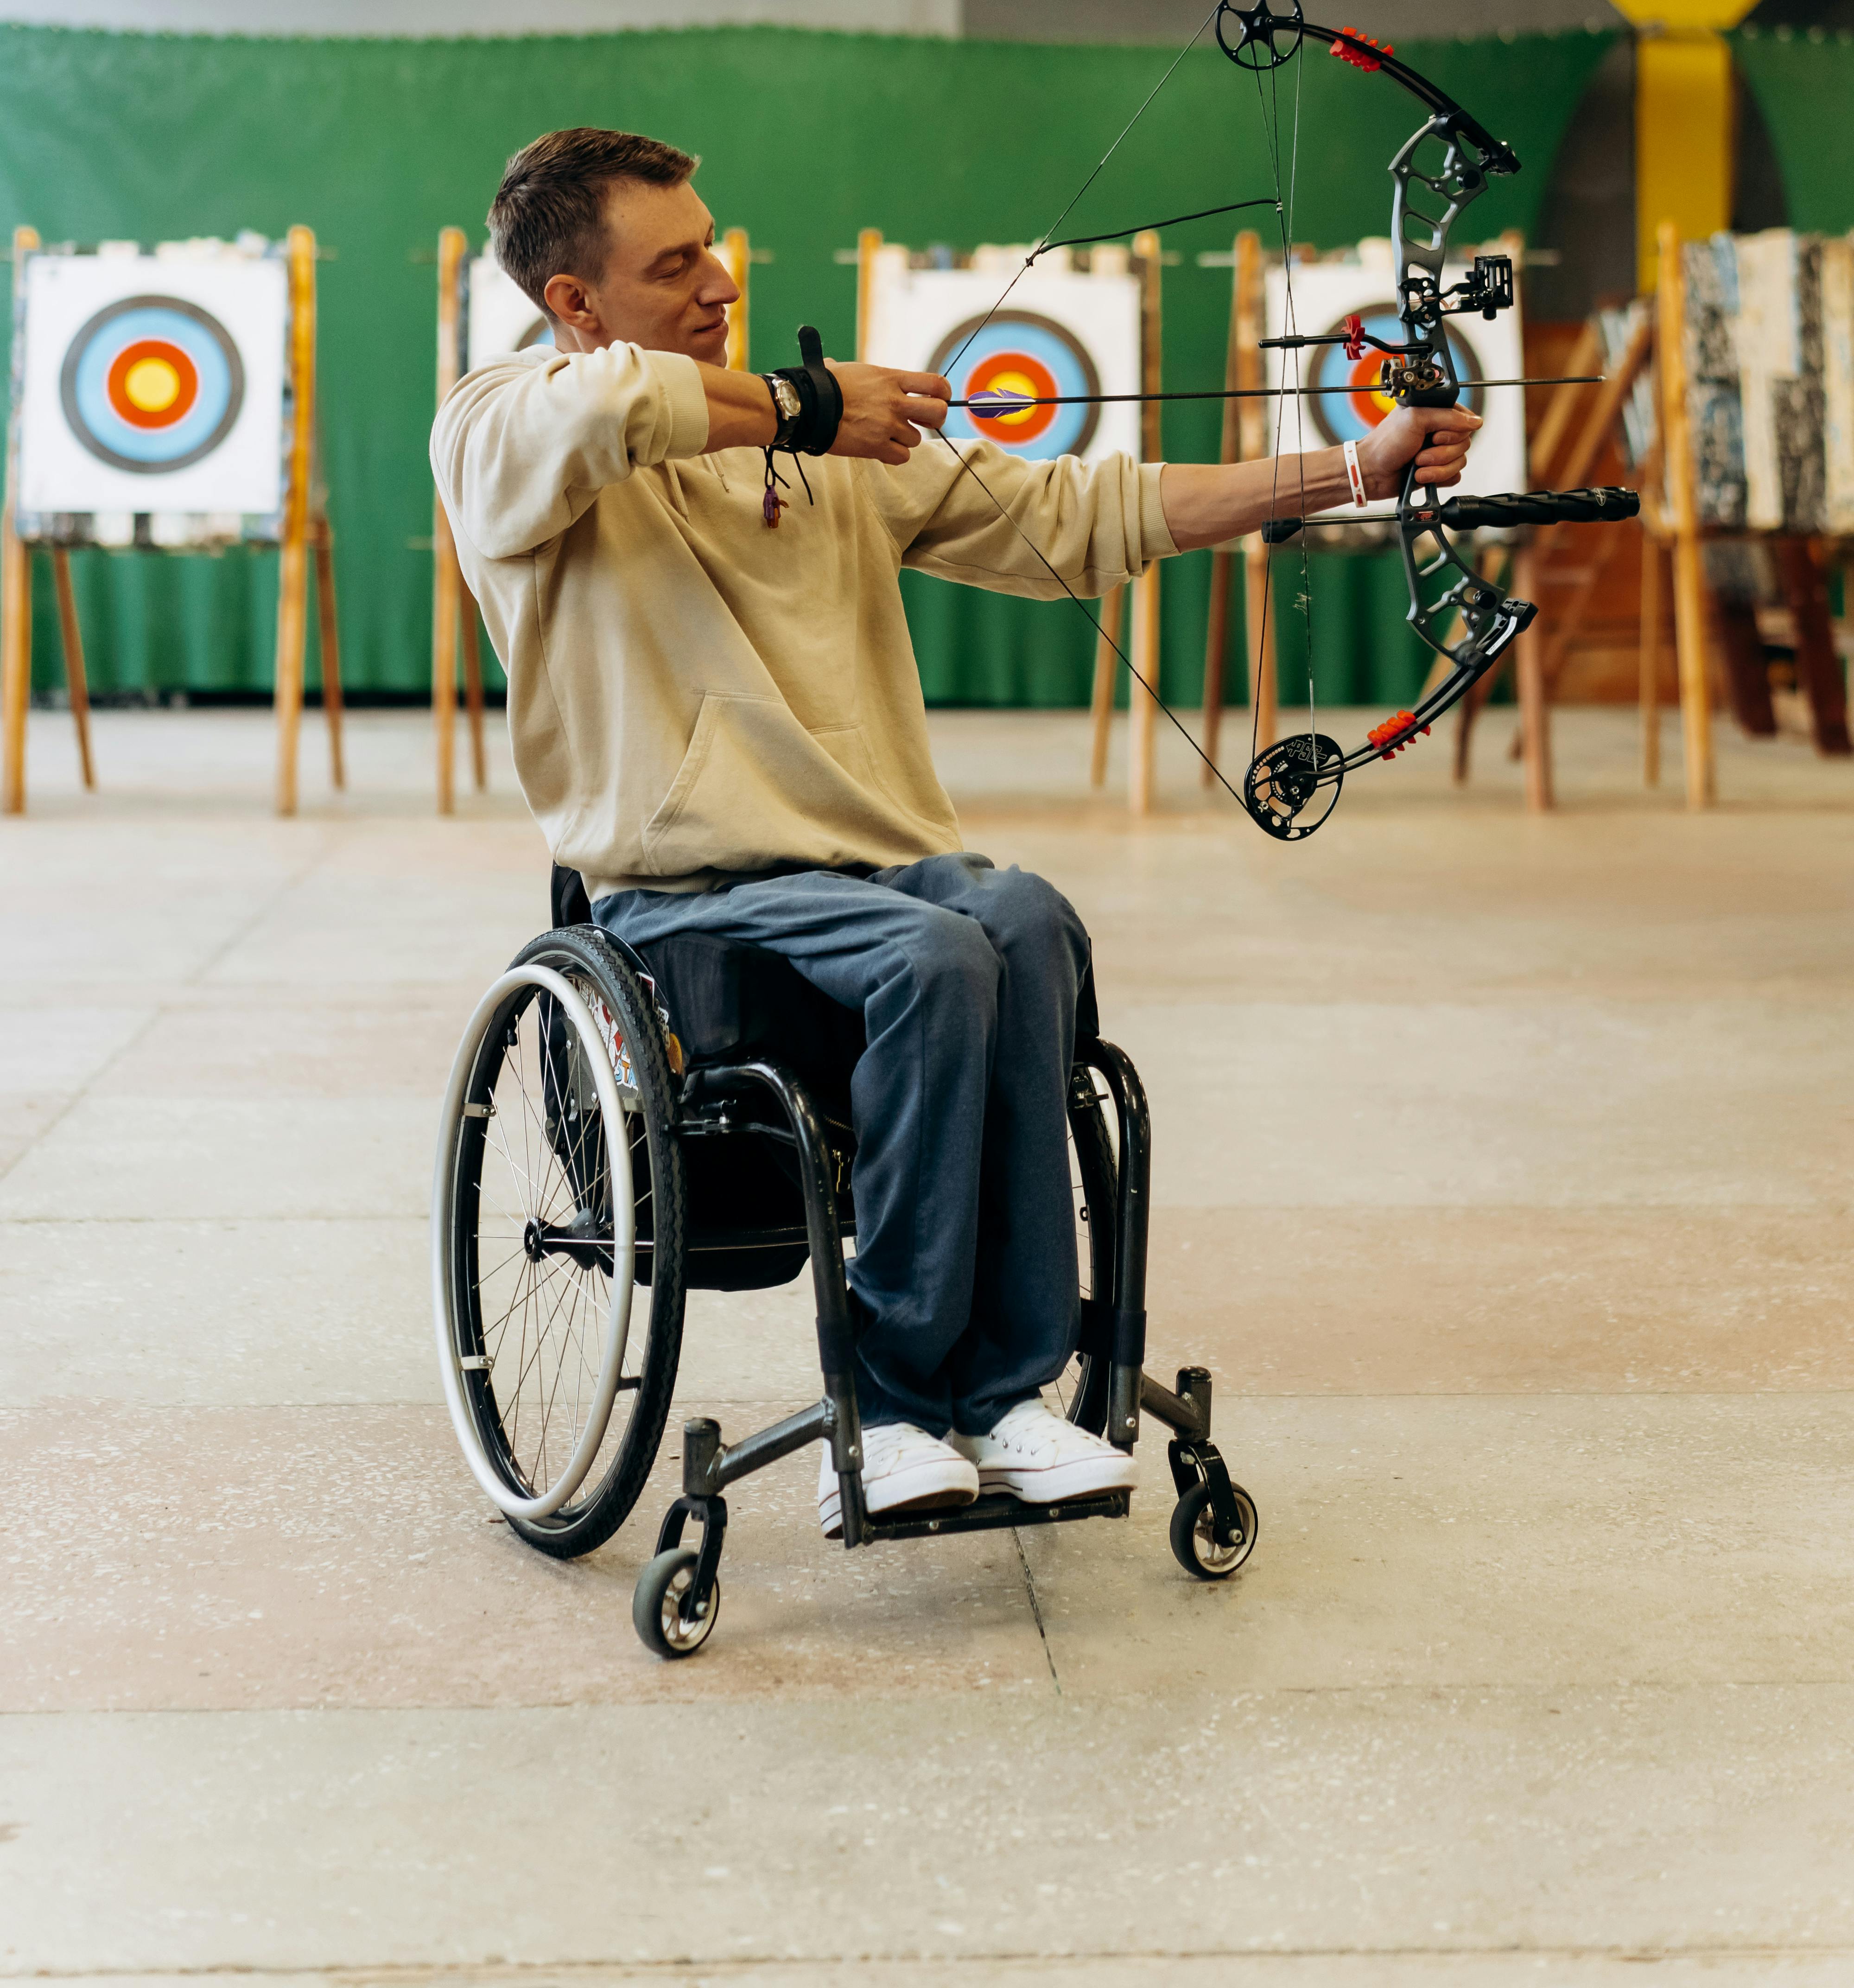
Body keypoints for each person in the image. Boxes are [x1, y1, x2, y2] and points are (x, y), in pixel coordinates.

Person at [432, 125, 1479, 1535]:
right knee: (937, 959)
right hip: (687, 903)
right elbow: (600, 413)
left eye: (715, 245)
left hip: (884, 878)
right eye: (672, 265)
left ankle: (1003, 1395)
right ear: (572, 301)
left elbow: (1083, 510)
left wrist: (1354, 470)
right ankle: (897, 1405)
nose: (718, 280)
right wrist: (801, 401)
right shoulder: (501, 427)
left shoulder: (826, 455)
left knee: (1024, 915)